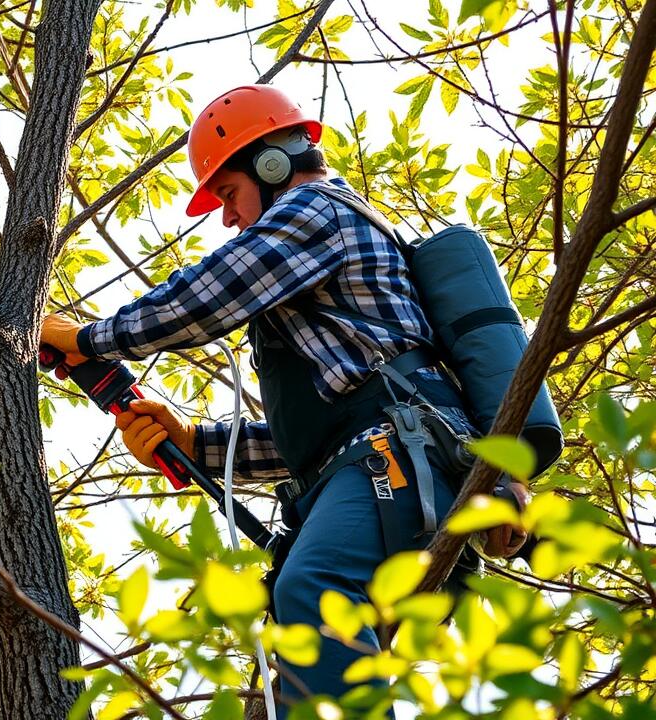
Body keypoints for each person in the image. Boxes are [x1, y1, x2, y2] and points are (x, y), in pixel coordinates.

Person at [39, 84, 530, 714]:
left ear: (272, 164)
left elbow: (211, 294)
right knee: (293, 650)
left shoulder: (316, 210)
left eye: (229, 194)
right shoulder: (324, 307)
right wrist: (196, 444)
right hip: (373, 460)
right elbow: (316, 438)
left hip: (389, 458)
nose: (227, 216)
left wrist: (89, 337)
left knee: (313, 585)